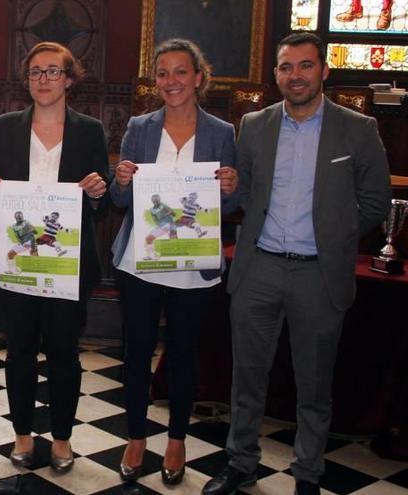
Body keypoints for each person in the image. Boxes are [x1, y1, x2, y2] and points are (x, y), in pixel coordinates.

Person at [203, 32, 391, 495]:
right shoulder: (255, 124)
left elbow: (375, 201)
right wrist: (228, 187)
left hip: (318, 274)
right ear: (276, 75)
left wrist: (335, 234)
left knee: (313, 383)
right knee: (247, 378)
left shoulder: (357, 129)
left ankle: (308, 473)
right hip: (259, 269)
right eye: (286, 67)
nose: (296, 75)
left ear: (324, 71)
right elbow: (245, 195)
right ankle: (241, 462)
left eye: (306, 66)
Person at [110, 38, 238, 486]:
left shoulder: (223, 132)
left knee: (184, 352)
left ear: (199, 78)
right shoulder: (139, 127)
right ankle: (136, 435)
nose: (171, 81)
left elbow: (230, 202)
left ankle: (178, 439)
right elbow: (119, 197)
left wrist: (230, 187)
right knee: (138, 351)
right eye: (162, 73)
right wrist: (121, 179)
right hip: (141, 260)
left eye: (180, 72)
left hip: (193, 262)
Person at [0, 41, 109, 474]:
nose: (44, 80)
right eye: (36, 72)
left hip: (66, 265)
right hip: (18, 262)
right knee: (18, 352)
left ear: (70, 79)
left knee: (63, 353)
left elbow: (102, 200)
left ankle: (62, 438)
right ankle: (21, 435)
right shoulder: (5, 127)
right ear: (27, 79)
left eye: (53, 72)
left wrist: (97, 191)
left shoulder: (90, 130)